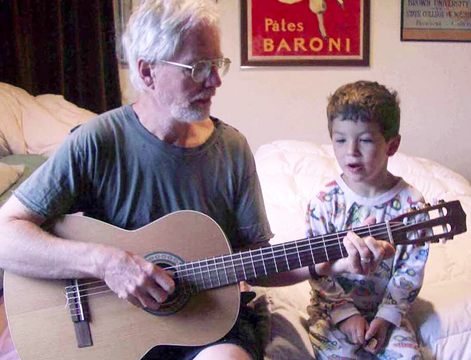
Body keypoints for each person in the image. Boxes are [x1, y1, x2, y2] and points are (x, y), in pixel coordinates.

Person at [0, 1, 393, 359]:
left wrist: (327, 263)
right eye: (197, 68)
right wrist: (105, 262)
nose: (215, 82)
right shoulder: (97, 141)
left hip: (209, 326)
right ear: (147, 71)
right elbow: (6, 235)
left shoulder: (232, 149)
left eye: (216, 64)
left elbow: (255, 261)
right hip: (115, 331)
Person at [305, 80, 429, 359]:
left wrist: (385, 318)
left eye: (365, 140)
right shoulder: (324, 203)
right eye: (340, 140)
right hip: (332, 310)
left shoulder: (411, 203)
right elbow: (315, 270)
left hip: (386, 309)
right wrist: (346, 315)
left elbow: (410, 271)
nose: (352, 150)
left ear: (392, 145)